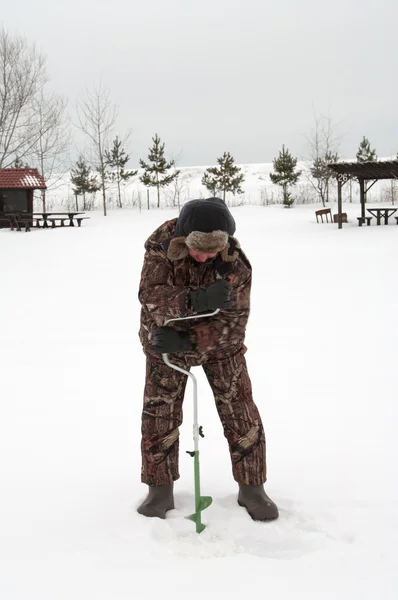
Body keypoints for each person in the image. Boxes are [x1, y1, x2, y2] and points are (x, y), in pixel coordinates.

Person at [137, 197, 278, 522]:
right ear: (184, 239)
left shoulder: (236, 265)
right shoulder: (161, 243)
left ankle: (252, 486)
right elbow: (150, 294)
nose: (205, 256)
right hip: (164, 337)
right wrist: (195, 299)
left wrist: (191, 339)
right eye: (199, 248)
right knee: (160, 412)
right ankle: (159, 490)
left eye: (212, 250)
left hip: (218, 345)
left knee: (240, 408)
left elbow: (234, 323)